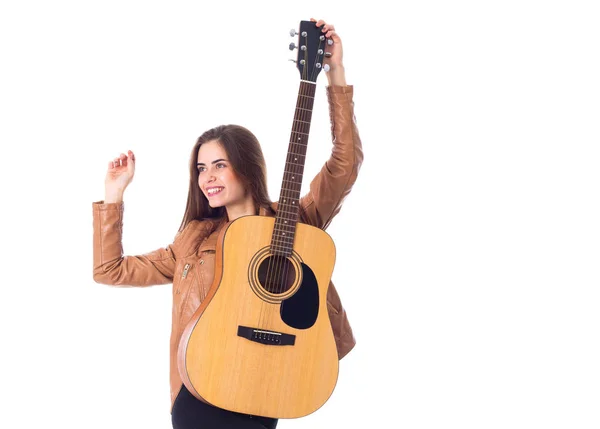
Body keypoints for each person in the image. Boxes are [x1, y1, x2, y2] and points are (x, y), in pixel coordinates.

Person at [92, 18, 363, 429]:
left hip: (269, 380)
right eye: (202, 168)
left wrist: (335, 75)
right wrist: (114, 196)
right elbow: (109, 271)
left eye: (220, 165)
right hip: (201, 384)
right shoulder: (194, 239)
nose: (209, 178)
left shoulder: (298, 222)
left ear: (247, 168)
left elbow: (344, 167)